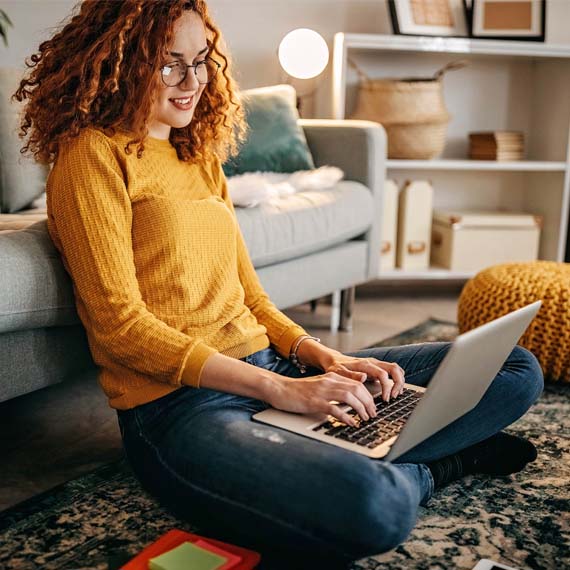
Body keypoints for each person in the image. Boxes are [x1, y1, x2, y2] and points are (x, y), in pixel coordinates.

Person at [14, 1, 544, 568]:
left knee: (515, 368)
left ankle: (358, 444)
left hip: (276, 370)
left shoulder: (196, 154)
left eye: (201, 61)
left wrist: (323, 357)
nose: (192, 82)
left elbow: (251, 296)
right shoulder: (91, 156)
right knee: (375, 506)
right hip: (184, 410)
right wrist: (281, 393)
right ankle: (437, 462)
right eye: (169, 65)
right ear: (118, 63)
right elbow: (120, 328)